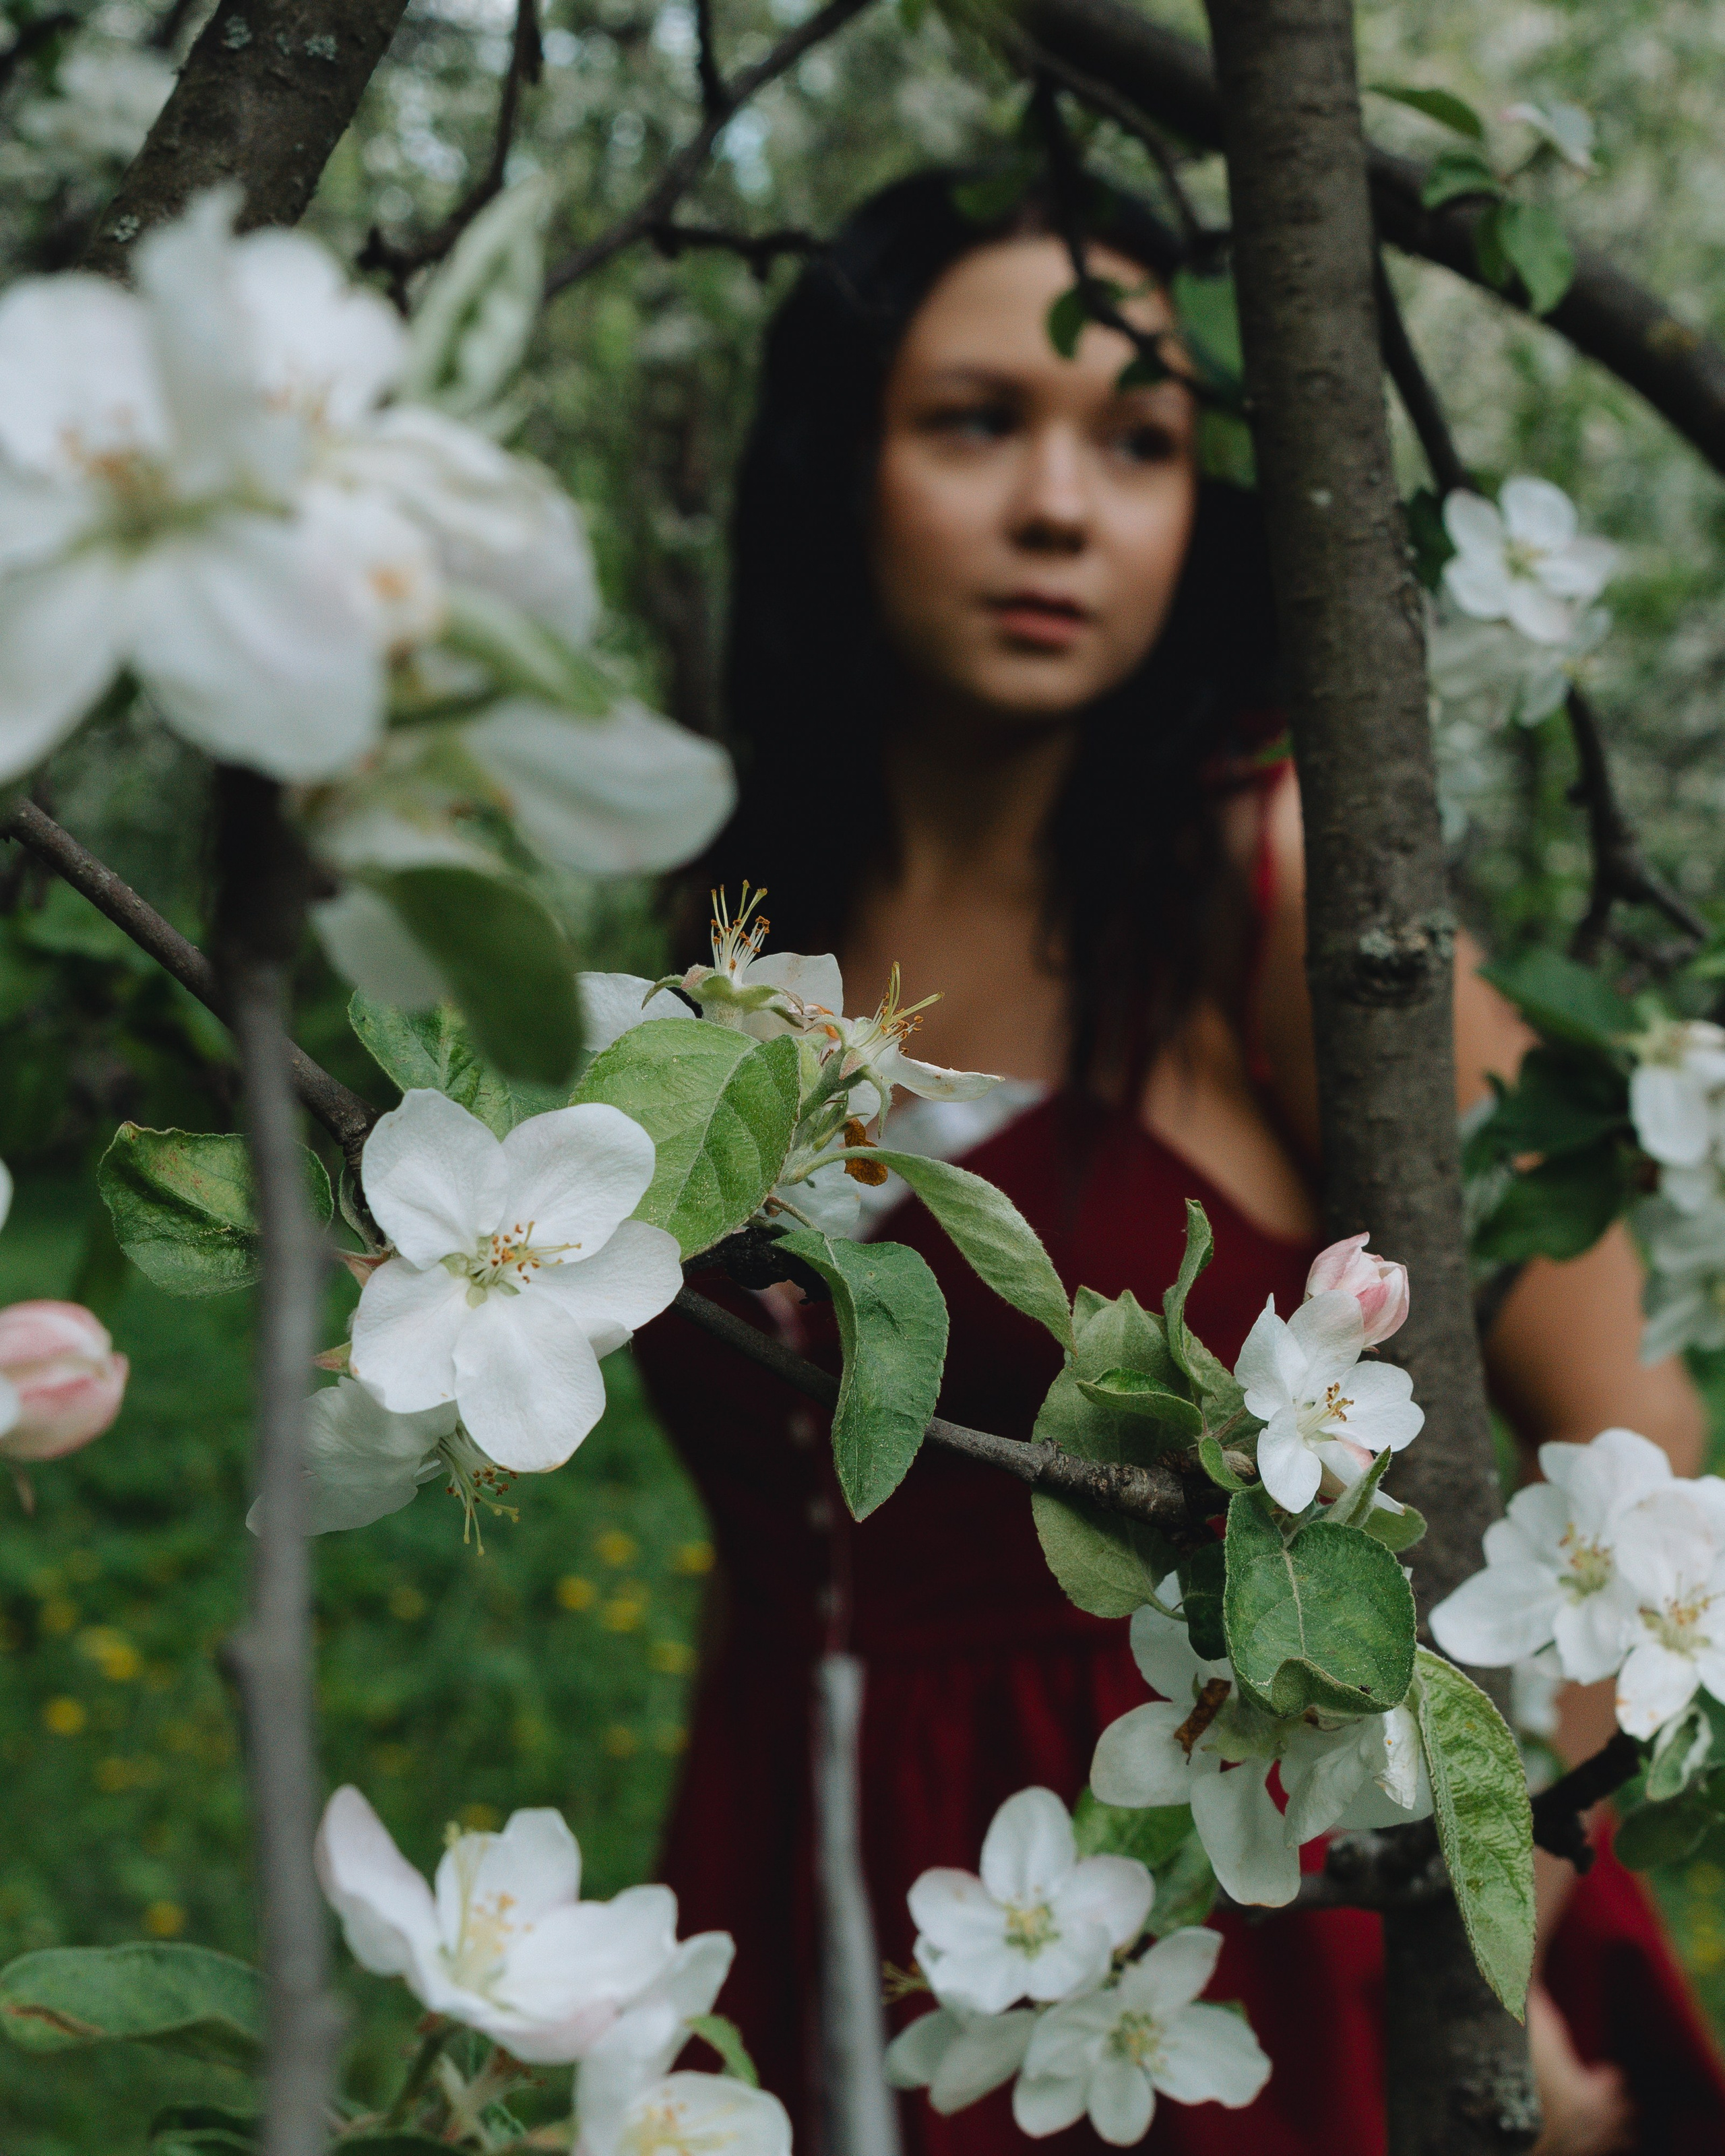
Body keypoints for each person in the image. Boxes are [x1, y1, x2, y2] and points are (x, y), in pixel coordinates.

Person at [631, 168, 1725, 2156]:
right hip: (791, 1872)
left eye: (1137, 443)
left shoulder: (1279, 888)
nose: (1062, 506)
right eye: (980, 421)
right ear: (838, 460)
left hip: (1234, 1925)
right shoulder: (723, 935)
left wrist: (1501, 1961)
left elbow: (1635, 1449)